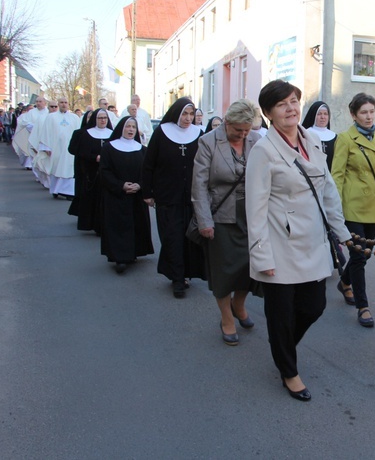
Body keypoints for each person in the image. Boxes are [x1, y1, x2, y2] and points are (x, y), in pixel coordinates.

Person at [246, 80, 351, 401]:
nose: (291, 108)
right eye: (282, 104)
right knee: (280, 312)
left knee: (314, 306)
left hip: (313, 242)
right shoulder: (263, 151)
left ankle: (283, 347)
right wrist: (261, 256)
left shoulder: (313, 141)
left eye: (294, 101)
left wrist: (342, 232)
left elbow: (328, 192)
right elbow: (255, 208)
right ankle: (289, 371)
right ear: (268, 114)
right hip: (279, 244)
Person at [192, 100, 261, 346]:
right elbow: (199, 185)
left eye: (247, 130)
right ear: (227, 122)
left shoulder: (256, 140)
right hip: (220, 215)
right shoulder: (208, 141)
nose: (243, 135)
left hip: (251, 214)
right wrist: (204, 221)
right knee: (223, 272)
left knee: (250, 267)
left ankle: (238, 304)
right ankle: (226, 318)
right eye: (238, 130)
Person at [331, 93, 375, 327]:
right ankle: (363, 306)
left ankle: (344, 282)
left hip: (373, 207)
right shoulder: (345, 139)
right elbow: (336, 175)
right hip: (352, 206)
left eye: (371, 111)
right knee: (358, 255)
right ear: (353, 115)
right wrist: (335, 207)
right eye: (363, 112)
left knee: (365, 254)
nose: (369, 117)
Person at [141, 97, 206, 298]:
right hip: (167, 196)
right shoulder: (162, 133)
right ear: (176, 113)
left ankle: (185, 273)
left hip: (192, 198)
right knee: (172, 238)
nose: (188, 119)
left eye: (191, 114)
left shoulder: (198, 134)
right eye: (184, 114)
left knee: (190, 238)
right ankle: (177, 279)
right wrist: (147, 192)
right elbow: (148, 164)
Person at [99, 116, 154, 273]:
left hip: (136, 195)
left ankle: (133, 252)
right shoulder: (109, 148)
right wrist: (121, 185)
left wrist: (140, 185)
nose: (131, 130)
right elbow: (104, 171)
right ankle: (120, 257)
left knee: (135, 224)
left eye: (133, 127)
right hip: (116, 195)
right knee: (118, 226)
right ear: (121, 128)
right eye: (128, 126)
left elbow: (147, 172)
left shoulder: (142, 149)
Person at [71, 108, 113, 233]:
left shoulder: (112, 133)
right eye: (100, 118)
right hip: (92, 172)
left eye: (105, 118)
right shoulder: (87, 134)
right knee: (93, 200)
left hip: (108, 172)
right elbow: (81, 152)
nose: (103, 120)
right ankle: (93, 224)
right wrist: (95, 157)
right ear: (95, 119)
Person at [41, 97, 80, 198]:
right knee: (56, 168)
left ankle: (68, 192)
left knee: (69, 169)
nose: (64, 104)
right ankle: (55, 190)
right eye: (61, 102)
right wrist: (46, 147)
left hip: (70, 148)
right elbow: (46, 132)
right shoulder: (51, 117)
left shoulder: (74, 117)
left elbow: (79, 132)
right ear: (58, 104)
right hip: (56, 147)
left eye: (65, 102)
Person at [301, 101, 336, 170]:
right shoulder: (305, 134)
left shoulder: (335, 136)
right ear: (313, 115)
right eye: (319, 114)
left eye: (325, 114)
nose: (322, 117)